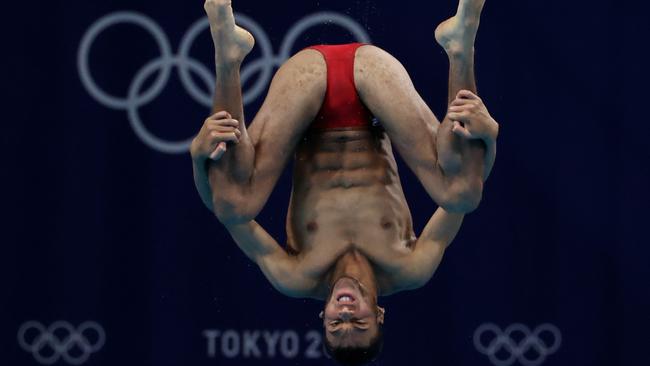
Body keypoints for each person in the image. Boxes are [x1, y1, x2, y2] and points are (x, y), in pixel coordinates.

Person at [190, 0, 498, 364]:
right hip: (375, 81)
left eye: (336, 325)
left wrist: (198, 156)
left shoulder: (296, 276)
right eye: (359, 323)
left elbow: (226, 214)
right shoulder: (410, 267)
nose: (345, 313)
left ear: (323, 318)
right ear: (379, 315)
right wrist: (490, 138)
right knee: (460, 193)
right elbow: (466, 191)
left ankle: (228, 55)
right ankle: (461, 48)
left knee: (235, 202)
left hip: (305, 88)